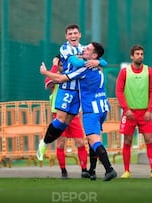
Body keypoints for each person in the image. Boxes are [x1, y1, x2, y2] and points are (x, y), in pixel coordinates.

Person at [40, 42, 117, 181]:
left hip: (91, 109)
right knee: (92, 138)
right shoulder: (98, 67)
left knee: (94, 140)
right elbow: (103, 61)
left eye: (88, 49)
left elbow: (62, 78)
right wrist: (98, 60)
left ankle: (109, 169)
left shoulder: (84, 68)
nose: (84, 49)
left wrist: (46, 72)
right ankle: (92, 171)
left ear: (93, 55)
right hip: (103, 107)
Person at [36, 24, 106, 161]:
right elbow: (77, 63)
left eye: (75, 33)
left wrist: (96, 60)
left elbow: (104, 62)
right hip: (66, 88)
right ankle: (43, 143)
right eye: (70, 34)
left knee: (65, 123)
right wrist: (92, 61)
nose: (73, 36)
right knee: (60, 119)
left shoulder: (84, 48)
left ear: (79, 35)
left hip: (78, 92)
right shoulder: (65, 48)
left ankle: (47, 142)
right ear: (66, 37)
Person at [115, 45, 152, 179]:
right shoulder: (125, 72)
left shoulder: (149, 71)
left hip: (144, 113)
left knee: (149, 139)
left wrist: (149, 110)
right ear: (131, 56)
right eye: (137, 54)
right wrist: (126, 109)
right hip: (129, 113)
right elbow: (118, 91)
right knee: (128, 141)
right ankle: (126, 171)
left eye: (142, 54)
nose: (140, 56)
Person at [44, 55, 89, 179]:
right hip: (58, 115)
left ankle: (84, 169)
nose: (63, 67)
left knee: (80, 142)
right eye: (60, 65)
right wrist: (53, 66)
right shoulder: (55, 78)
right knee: (61, 143)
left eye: (64, 64)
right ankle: (63, 171)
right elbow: (48, 82)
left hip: (73, 115)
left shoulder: (74, 76)